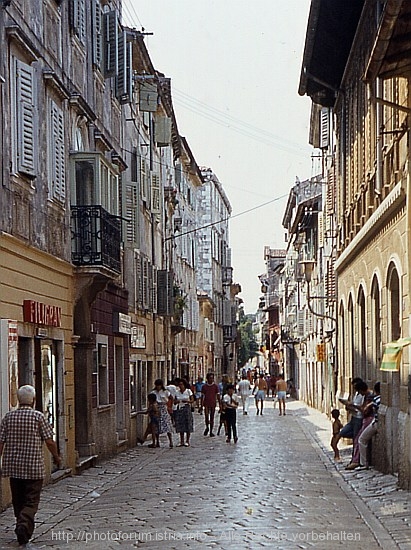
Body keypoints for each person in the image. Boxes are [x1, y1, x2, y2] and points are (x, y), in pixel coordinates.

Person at [0, 385, 62, 546]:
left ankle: (22, 525)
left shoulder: (8, 417)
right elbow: (49, 441)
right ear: (33, 400)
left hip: (13, 467)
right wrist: (56, 456)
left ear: (19, 400)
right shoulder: (38, 417)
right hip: (33, 467)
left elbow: (1, 442)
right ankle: (23, 525)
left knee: (18, 499)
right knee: (31, 501)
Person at [346, 381, 377, 470]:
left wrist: (355, 406)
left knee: (360, 439)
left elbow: (365, 410)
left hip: (369, 419)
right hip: (366, 419)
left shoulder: (370, 397)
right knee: (358, 439)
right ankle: (358, 461)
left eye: (359, 391)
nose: (359, 394)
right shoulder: (368, 396)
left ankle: (360, 462)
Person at [337, 377, 364, 464]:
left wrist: (353, 406)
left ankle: (355, 459)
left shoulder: (363, 395)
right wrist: (348, 406)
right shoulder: (356, 394)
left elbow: (361, 408)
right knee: (343, 432)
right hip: (353, 417)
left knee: (356, 439)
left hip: (359, 418)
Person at [358, 382, 381, 470]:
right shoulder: (379, 399)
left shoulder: (376, 399)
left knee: (362, 439)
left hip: (375, 423)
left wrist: (368, 405)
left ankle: (363, 463)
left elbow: (367, 409)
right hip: (376, 422)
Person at [150, 379, 174, 448]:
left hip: (164, 408)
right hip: (156, 408)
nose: (158, 387)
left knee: (167, 425)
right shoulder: (153, 392)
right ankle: (157, 442)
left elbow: (171, 398)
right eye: (157, 385)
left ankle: (171, 441)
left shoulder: (165, 392)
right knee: (157, 426)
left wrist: (170, 406)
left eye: (159, 385)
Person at [174, 379, 194, 446]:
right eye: (179, 385)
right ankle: (181, 440)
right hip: (179, 408)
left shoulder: (188, 391)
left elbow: (192, 400)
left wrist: (187, 401)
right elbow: (175, 401)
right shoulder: (177, 392)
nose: (180, 386)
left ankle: (187, 440)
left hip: (187, 408)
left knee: (187, 424)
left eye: (182, 384)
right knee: (180, 424)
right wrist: (177, 401)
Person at [201, 372, 221, 437]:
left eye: (212, 378)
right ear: (207, 378)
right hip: (206, 403)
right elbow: (202, 396)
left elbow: (218, 395)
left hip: (213, 403)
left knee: (212, 417)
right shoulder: (204, 386)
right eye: (210, 378)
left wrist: (220, 404)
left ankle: (211, 431)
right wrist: (201, 405)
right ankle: (207, 427)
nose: (211, 379)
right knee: (206, 416)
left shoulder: (215, 386)